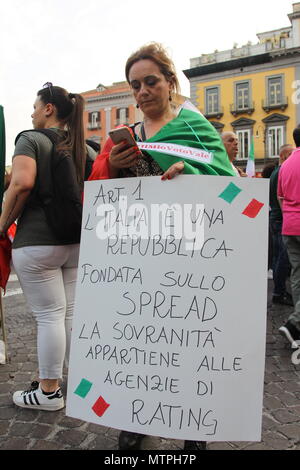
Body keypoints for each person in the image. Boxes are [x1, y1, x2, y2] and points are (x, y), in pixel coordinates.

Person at [89, 42, 236, 451]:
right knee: (143, 341)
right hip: (139, 258)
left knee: (188, 340)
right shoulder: (123, 138)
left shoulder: (196, 129)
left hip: (191, 257)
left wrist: (190, 173)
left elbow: (230, 188)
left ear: (171, 83)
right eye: (135, 85)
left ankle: (194, 427)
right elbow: (100, 202)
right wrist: (113, 167)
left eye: (151, 81)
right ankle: (134, 415)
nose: (142, 92)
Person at [0, 84, 95, 411]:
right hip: (78, 241)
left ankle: (49, 391)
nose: (31, 112)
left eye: (34, 106)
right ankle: (81, 379)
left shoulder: (30, 139)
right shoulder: (87, 147)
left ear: (48, 109)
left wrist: (1, 223)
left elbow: (22, 183)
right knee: (70, 313)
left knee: (48, 316)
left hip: (38, 241)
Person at [278, 126, 300, 347]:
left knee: (297, 275)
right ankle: (294, 323)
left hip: (290, 225)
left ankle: (298, 327)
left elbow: (281, 196)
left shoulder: (285, 165)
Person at [269, 144, 294, 306]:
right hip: (281, 219)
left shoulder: (276, 173)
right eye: (291, 154)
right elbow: (281, 197)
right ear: (284, 155)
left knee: (279, 257)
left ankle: (280, 291)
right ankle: (279, 292)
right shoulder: (281, 172)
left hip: (276, 218)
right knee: (282, 258)